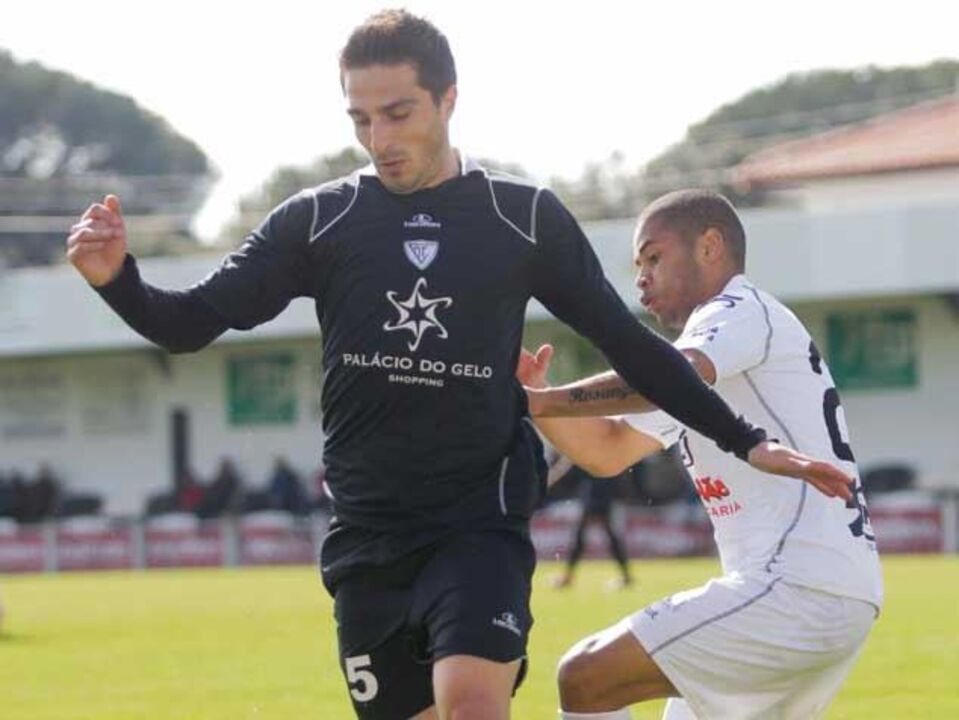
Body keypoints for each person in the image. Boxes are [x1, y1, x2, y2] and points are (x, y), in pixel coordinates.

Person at [65, 10, 852, 718]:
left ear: (447, 100)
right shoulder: (318, 220)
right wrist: (116, 280)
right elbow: (188, 323)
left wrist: (745, 441)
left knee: (471, 705)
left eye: (398, 113)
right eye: (361, 118)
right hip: (367, 539)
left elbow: (630, 343)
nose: (380, 139)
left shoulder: (523, 217)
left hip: (479, 524)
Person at [519, 189, 883, 719]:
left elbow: (669, 377)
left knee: (587, 675)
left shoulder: (737, 311)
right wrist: (539, 399)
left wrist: (540, 400)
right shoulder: (701, 359)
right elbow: (609, 450)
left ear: (710, 246)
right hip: (819, 591)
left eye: (653, 257)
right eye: (638, 266)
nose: (641, 278)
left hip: (798, 585)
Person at [550, 461, 633, 591]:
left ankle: (568, 577)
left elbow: (567, 471)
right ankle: (626, 576)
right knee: (607, 537)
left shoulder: (584, 454)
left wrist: (549, 480)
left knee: (582, 538)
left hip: (595, 495)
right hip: (603, 495)